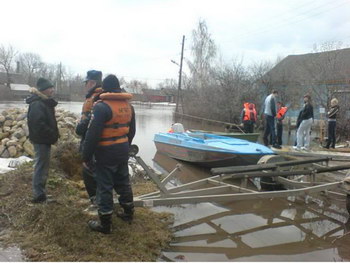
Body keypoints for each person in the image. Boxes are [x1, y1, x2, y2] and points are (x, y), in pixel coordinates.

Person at [82, 74, 136, 234]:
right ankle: (128, 213)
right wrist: (125, 145)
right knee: (123, 182)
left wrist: (86, 157)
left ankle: (105, 225)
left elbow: (92, 135)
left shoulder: (101, 107)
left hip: (105, 152)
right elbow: (132, 131)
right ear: (118, 88)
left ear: (104, 88)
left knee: (104, 187)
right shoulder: (128, 106)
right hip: (122, 149)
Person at [26, 78, 59, 203]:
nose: (52, 90)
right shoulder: (37, 104)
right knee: (41, 166)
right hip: (41, 140)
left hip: (43, 140)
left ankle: (40, 193)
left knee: (43, 166)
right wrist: (52, 135)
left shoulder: (43, 102)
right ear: (44, 90)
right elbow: (38, 125)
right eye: (50, 88)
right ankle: (38, 195)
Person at [76, 70, 103, 204]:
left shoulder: (94, 98)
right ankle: (102, 200)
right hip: (104, 143)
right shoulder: (105, 95)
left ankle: (96, 202)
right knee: (100, 173)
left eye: (86, 83)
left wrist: (78, 128)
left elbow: (87, 123)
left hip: (92, 141)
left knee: (89, 171)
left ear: (92, 83)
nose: (85, 85)